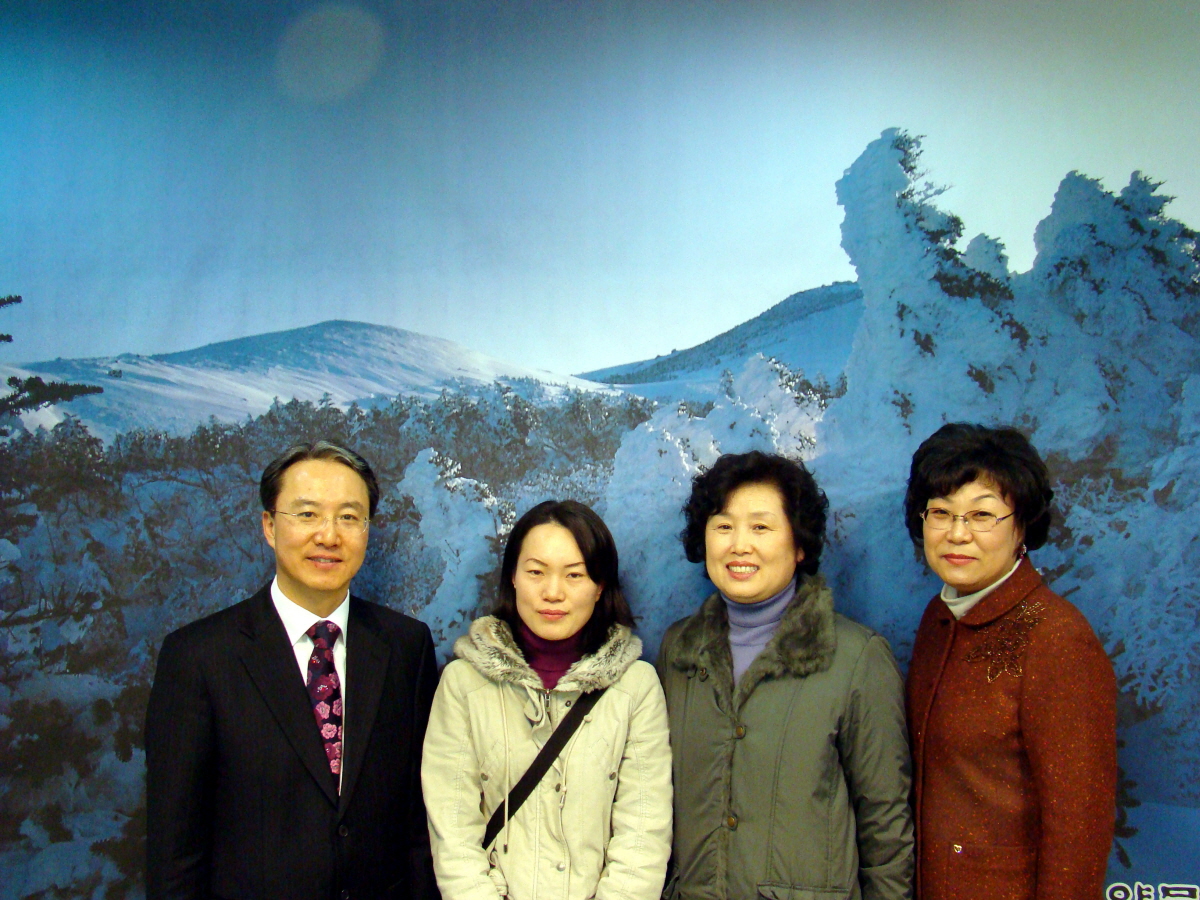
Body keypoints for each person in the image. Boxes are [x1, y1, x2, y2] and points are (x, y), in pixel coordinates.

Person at [145, 441, 439, 900]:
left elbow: (420, 824)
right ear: (269, 525)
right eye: (307, 514)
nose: (329, 536)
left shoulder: (406, 646)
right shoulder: (199, 656)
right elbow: (175, 851)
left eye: (349, 517)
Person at [658, 450, 914, 900]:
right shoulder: (679, 651)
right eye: (723, 526)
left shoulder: (857, 658)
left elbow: (886, 826)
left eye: (761, 527)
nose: (739, 545)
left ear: (799, 545)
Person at [904, 423, 1117, 900]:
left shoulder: (1056, 638)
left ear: (1022, 525)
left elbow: (1079, 826)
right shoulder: (939, 618)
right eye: (941, 513)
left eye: (982, 515)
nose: (957, 534)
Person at [422, 499, 672, 900]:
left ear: (600, 586)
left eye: (574, 575)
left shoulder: (635, 688)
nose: (553, 593)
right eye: (536, 572)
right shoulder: (463, 684)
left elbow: (643, 832)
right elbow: (452, 830)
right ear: (513, 578)